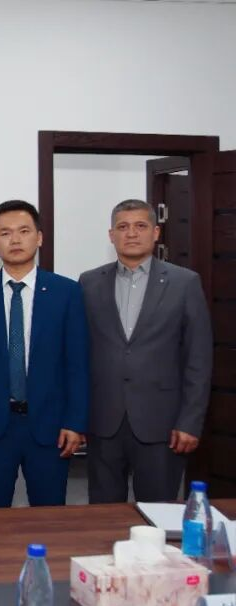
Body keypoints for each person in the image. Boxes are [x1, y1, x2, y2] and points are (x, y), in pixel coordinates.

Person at [0, 200, 89, 507]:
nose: (15, 240)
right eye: (5, 233)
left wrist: (75, 421)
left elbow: (77, 364)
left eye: (24, 231)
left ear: (39, 237)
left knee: (49, 514)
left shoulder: (66, 292)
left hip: (50, 426)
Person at [80, 199, 212, 503]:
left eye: (140, 226)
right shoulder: (89, 282)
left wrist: (190, 422)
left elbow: (199, 359)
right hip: (103, 421)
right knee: (103, 514)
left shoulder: (184, 283)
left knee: (157, 513)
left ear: (155, 232)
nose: (131, 233)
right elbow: (78, 354)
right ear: (111, 235)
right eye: (123, 227)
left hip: (162, 423)